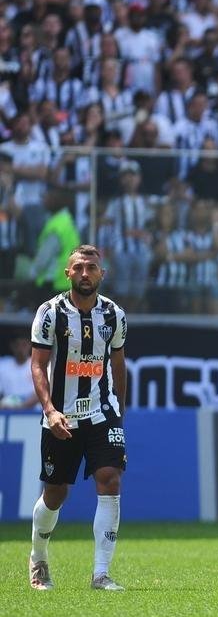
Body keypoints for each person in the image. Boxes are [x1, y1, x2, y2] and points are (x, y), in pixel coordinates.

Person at [27, 244, 129, 592]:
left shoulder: (115, 315)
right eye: (79, 268)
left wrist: (119, 413)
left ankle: (101, 574)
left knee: (110, 479)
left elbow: (118, 365)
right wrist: (50, 410)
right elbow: (39, 364)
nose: (86, 273)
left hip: (102, 413)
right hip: (61, 417)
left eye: (92, 268)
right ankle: (38, 558)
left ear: (102, 273)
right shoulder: (50, 313)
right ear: (68, 273)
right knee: (56, 494)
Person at [0, 334, 37, 409]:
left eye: (24, 344)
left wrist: (22, 406)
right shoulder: (3, 364)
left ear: (30, 345)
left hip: (32, 411)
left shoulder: (38, 365)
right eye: (17, 345)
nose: (20, 349)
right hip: (6, 409)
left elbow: (42, 392)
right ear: (12, 346)